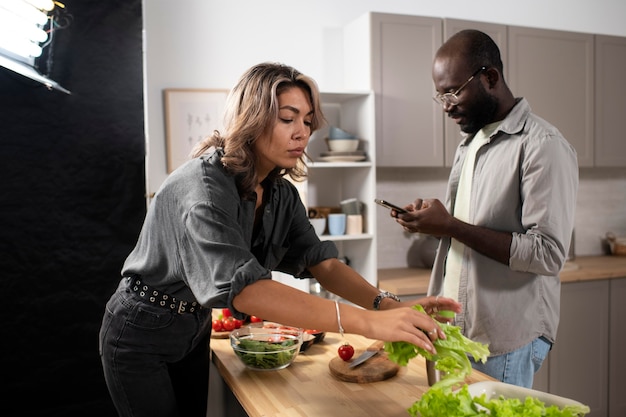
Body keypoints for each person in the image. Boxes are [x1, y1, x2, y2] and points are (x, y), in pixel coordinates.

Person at [99, 62, 461, 417]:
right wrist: (367, 323)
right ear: (252, 119)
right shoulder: (204, 189)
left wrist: (387, 306)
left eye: (306, 121)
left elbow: (325, 263)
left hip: (194, 326)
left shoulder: (279, 193)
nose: (301, 132)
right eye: (288, 119)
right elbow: (248, 290)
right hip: (139, 332)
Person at [392, 30, 578, 388]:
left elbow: (548, 253)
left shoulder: (543, 146)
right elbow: (469, 228)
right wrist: (431, 220)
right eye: (440, 95)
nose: (446, 105)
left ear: (489, 77)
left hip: (503, 342)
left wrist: (451, 226)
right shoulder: (473, 141)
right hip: (458, 333)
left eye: (452, 92)